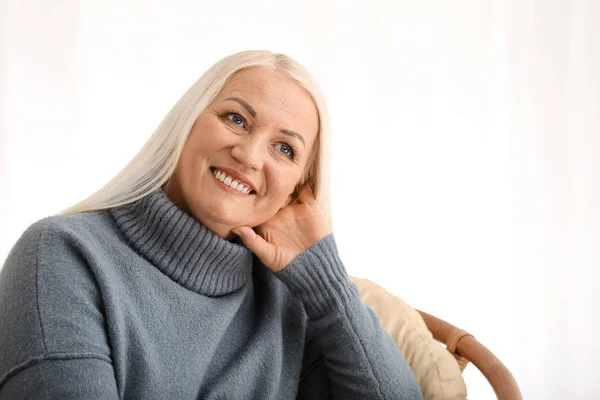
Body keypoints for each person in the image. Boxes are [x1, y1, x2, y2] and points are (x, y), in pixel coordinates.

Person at [0, 50, 422, 399]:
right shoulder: (62, 255)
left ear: (298, 191)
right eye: (236, 119)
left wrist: (326, 287)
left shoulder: (291, 306)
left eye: (284, 149)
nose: (250, 155)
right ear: (186, 124)